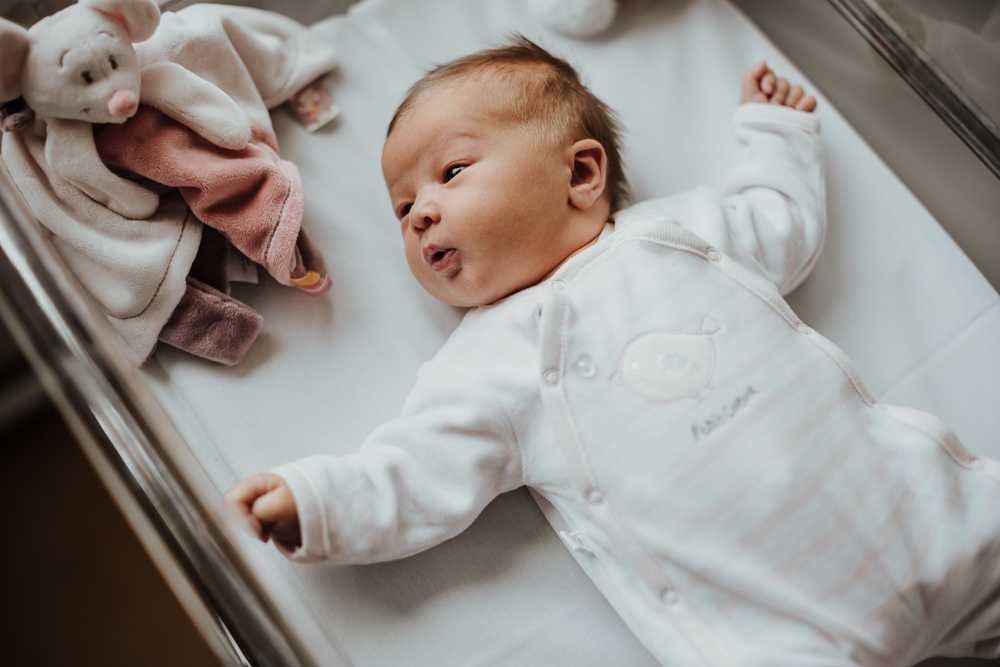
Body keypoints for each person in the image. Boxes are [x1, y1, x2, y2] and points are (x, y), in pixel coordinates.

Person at [226, 37, 1000, 665]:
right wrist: (320, 501)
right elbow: (416, 471)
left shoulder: (683, 233)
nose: (422, 211)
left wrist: (775, 138)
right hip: (777, 631)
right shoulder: (485, 362)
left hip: (931, 514)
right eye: (401, 208)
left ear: (583, 173)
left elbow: (779, 219)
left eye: (452, 171)